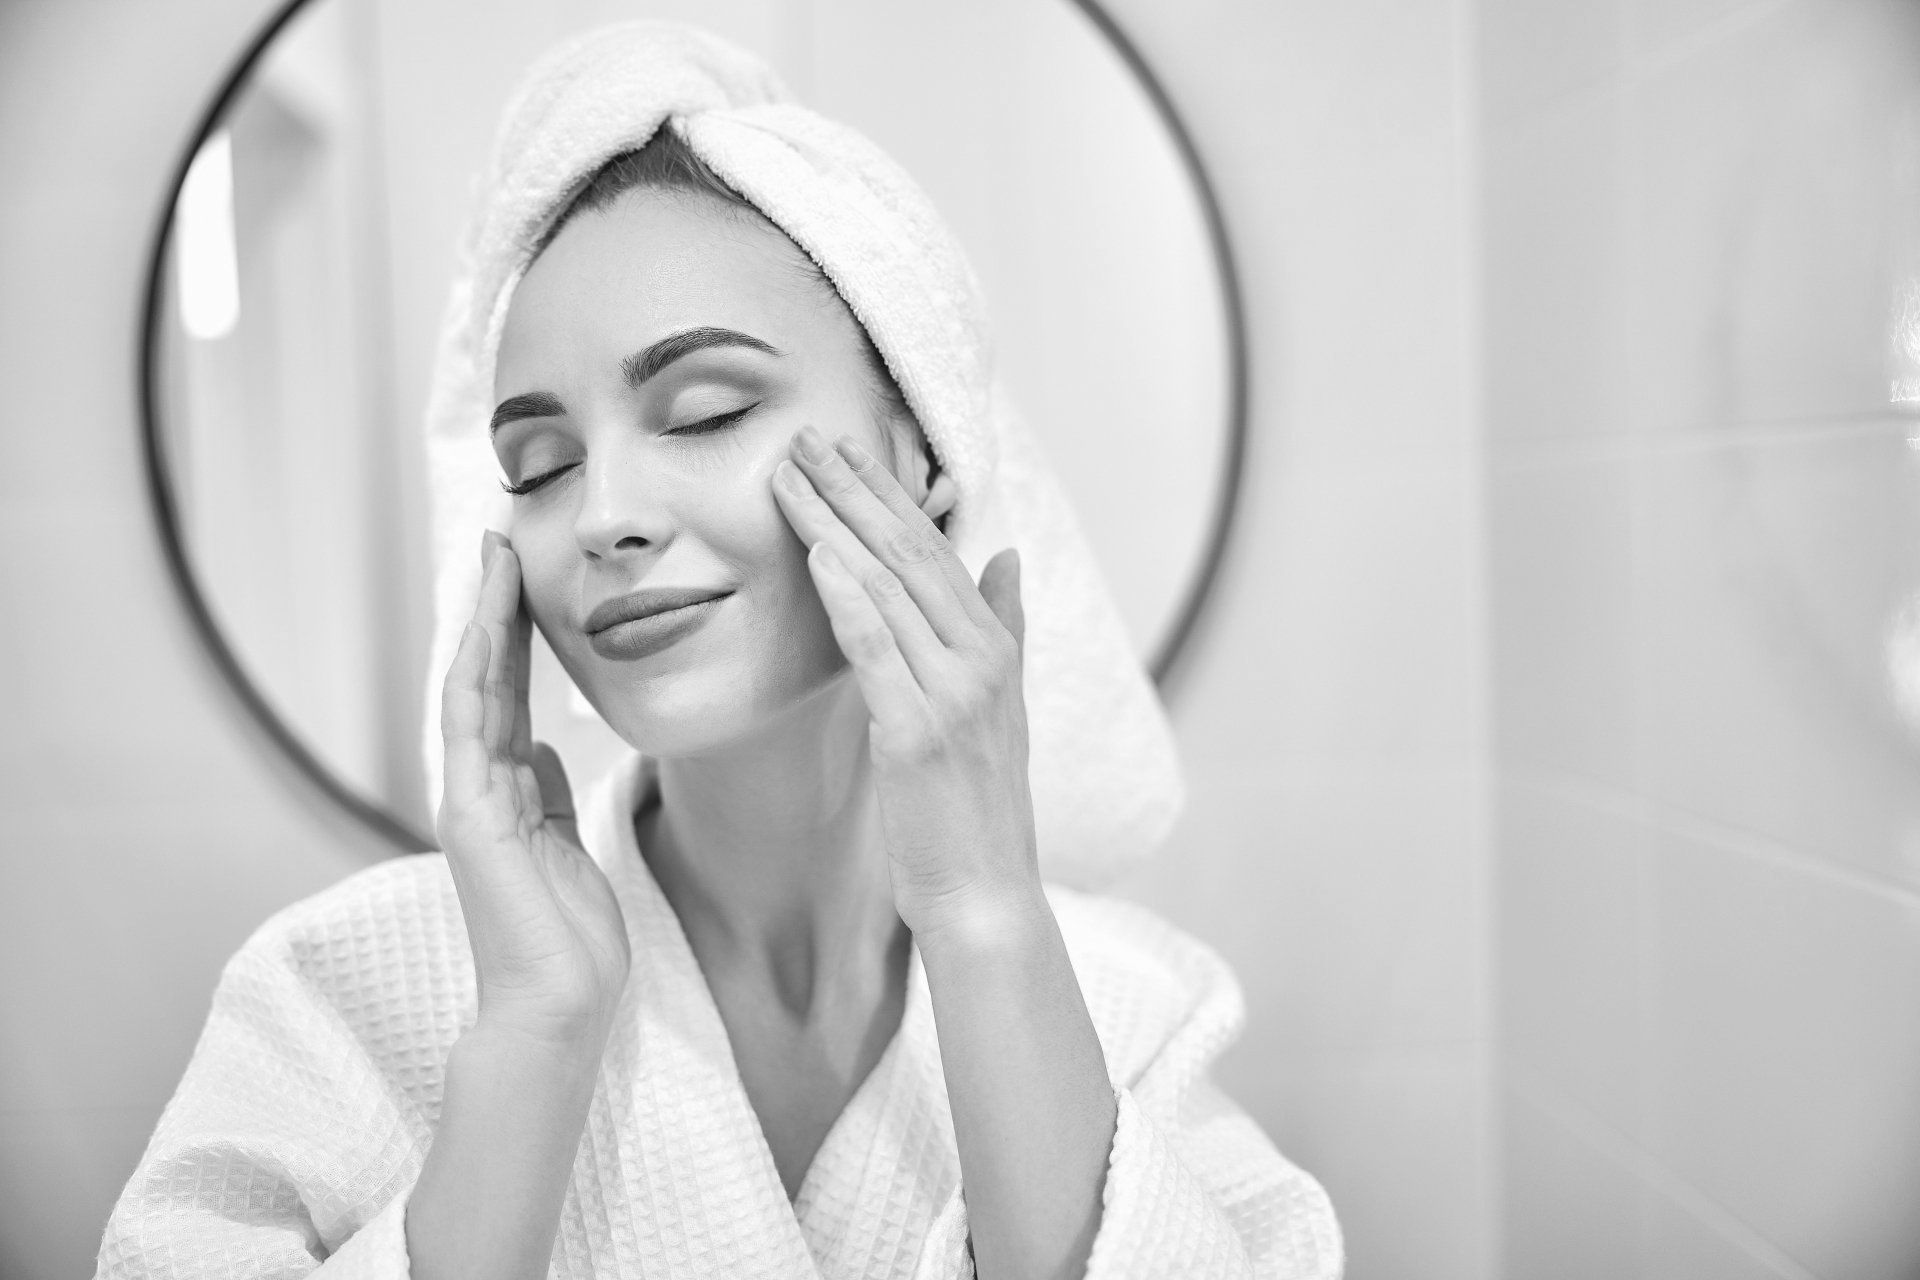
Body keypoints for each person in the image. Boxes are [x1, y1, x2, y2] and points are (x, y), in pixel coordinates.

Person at [96, 21, 1341, 1280]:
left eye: (707, 411)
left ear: (924, 454)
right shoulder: (349, 991)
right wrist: (533, 1034)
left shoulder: (1131, 1010)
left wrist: (983, 918)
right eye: (540, 464)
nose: (600, 515)